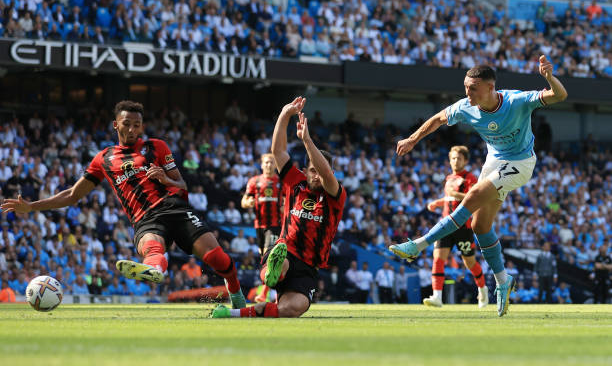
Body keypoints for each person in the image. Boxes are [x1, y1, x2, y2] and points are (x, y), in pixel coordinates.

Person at [1, 100, 246, 309]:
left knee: (217, 258)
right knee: (152, 248)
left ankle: (235, 290)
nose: (131, 129)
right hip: (145, 219)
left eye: (136, 125)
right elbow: (73, 195)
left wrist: (164, 178)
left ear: (142, 126)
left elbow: (182, 185)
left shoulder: (156, 147)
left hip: (176, 210)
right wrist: (32, 206)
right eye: (126, 124)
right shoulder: (104, 159)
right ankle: (154, 270)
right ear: (116, 125)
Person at [389, 56, 568, 316]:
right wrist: (413, 138)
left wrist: (550, 77)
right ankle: (503, 281)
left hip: (521, 162)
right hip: (494, 161)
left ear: (490, 87)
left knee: (472, 195)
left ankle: (418, 245)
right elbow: (439, 118)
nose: (467, 92)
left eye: (473, 88)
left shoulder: (517, 101)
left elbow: (559, 96)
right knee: (479, 226)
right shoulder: (466, 106)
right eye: (465, 87)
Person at [211, 96, 346, 318]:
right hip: (286, 251)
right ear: (304, 171)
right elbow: (278, 151)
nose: (317, 175)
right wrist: (284, 114)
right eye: (312, 170)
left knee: (291, 309)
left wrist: (307, 140)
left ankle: (232, 315)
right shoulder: (296, 182)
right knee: (280, 262)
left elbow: (326, 174)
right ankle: (271, 273)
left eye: (321, 171)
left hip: (309, 268)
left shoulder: (334, 194)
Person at [422, 145, 488, 308]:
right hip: (446, 225)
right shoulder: (449, 178)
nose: (455, 161)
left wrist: (456, 194)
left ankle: (483, 289)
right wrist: (438, 203)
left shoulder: (470, 178)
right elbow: (449, 198)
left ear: (465, 160)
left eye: (459, 158)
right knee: (438, 259)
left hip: (463, 227)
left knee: (469, 263)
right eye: (453, 158)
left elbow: (474, 198)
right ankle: (437, 296)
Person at [241, 152, 282, 302]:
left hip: (275, 225)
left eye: (272, 162)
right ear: (261, 164)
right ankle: (275, 293)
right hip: (259, 226)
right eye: (266, 162)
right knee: (265, 260)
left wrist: (284, 207)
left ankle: (264, 293)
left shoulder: (281, 182)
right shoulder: (254, 181)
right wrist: (248, 203)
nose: (269, 165)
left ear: (276, 165)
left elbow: (287, 202)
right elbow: (244, 200)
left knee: (269, 257)